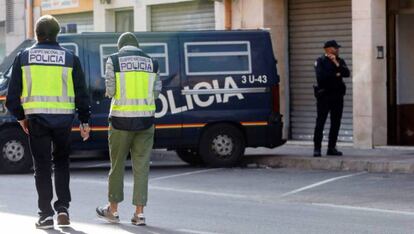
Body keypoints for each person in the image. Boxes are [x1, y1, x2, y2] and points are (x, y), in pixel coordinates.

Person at [6, 15, 91, 229]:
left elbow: (11, 97)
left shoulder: (24, 57)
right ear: (56, 34)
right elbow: (82, 92)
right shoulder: (70, 58)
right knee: (61, 163)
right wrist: (84, 120)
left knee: (42, 167)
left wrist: (21, 117)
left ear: (37, 34)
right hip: (63, 120)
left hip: (36, 120)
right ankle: (63, 209)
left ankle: (45, 216)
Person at [96, 32, 162, 226]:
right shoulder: (152, 62)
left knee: (117, 165)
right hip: (145, 121)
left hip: (120, 122)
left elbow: (111, 90)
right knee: (141, 167)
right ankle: (139, 214)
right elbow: (156, 92)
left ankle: (113, 210)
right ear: (136, 45)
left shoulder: (114, 60)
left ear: (121, 46)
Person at [313, 40, 350, 157]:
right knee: (320, 122)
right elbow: (321, 78)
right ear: (328, 49)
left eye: (337, 48)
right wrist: (336, 74)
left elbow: (346, 73)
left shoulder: (339, 60)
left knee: (336, 123)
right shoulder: (320, 61)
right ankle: (317, 148)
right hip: (324, 96)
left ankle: (331, 147)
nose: (337, 50)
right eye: (335, 48)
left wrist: (336, 64)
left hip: (337, 96)